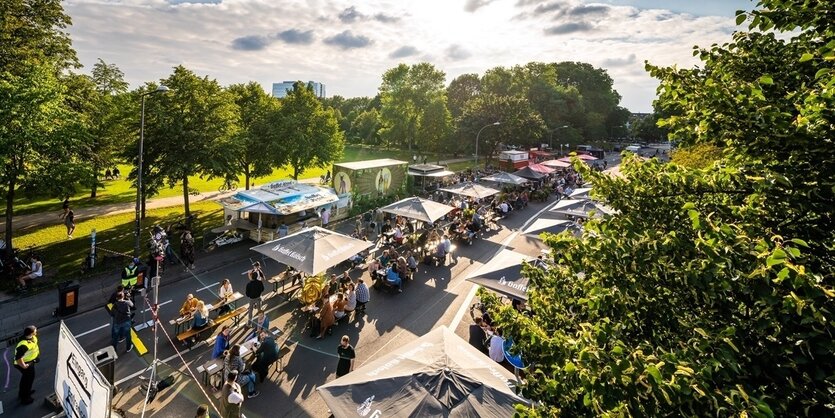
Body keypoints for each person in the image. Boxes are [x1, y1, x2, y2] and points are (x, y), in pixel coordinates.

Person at [15, 325, 39, 405]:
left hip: (30, 362)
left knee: (25, 379)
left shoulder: (31, 338)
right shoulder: (24, 344)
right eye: (35, 330)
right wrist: (24, 366)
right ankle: (25, 399)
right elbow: (18, 358)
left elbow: (33, 348)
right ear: (32, 333)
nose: (36, 331)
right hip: (25, 364)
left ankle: (23, 393)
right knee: (28, 380)